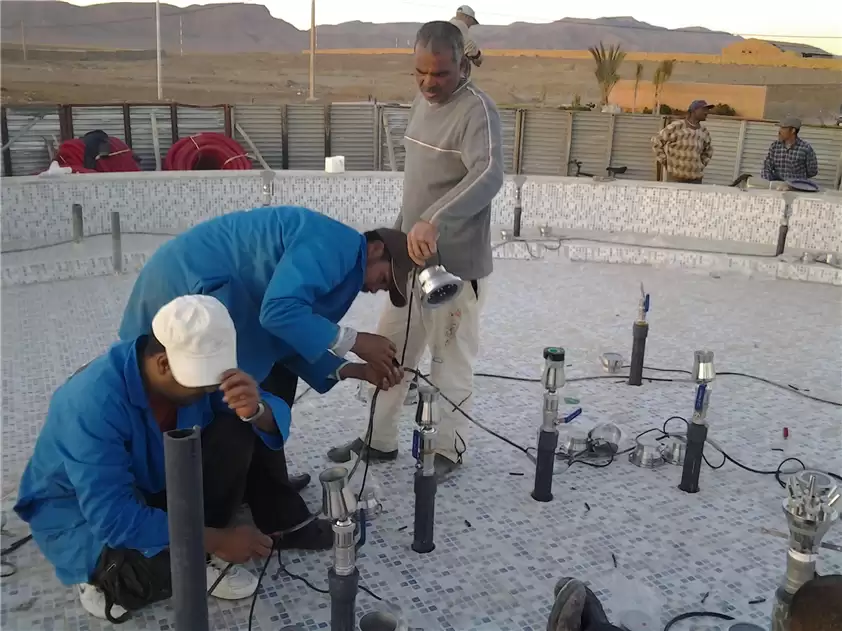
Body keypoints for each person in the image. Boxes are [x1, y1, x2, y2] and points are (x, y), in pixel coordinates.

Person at [15, 295, 339, 622]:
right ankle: (99, 577)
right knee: (142, 579)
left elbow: (265, 411)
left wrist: (256, 410)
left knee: (238, 424)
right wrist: (216, 540)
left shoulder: (193, 374)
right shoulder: (91, 403)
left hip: (151, 485)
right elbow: (112, 516)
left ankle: (195, 543)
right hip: (80, 512)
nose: (210, 390)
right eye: (202, 385)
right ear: (163, 364)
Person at [119, 206, 409, 488]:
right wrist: (356, 341)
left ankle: (264, 485)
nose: (376, 290)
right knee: (197, 399)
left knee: (254, 396)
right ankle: (240, 493)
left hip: (217, 297)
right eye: (384, 279)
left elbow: (290, 335)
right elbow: (278, 312)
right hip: (183, 289)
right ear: (375, 249)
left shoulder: (343, 262)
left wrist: (358, 370)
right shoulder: (338, 246)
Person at [328, 20, 504, 481]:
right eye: (420, 72)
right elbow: (420, 184)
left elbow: (489, 175)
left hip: (454, 271)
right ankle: (379, 440)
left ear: (463, 66)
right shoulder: (422, 102)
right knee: (389, 352)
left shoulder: (477, 111)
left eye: (440, 74)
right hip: (408, 264)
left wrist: (435, 219)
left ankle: (449, 449)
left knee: (450, 363)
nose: (428, 83)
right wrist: (396, 239)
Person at [652, 100, 714, 184]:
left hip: (695, 179)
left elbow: (708, 150)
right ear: (694, 111)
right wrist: (664, 160)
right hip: (675, 177)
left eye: (707, 110)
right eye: (704, 109)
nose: (707, 112)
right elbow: (656, 141)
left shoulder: (703, 131)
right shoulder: (676, 126)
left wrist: (701, 165)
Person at [761, 116, 819, 183]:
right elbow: (767, 168)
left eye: (783, 128)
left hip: (797, 186)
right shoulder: (775, 146)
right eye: (780, 128)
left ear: (793, 130)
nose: (779, 131)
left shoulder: (805, 148)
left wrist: (799, 181)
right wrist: (768, 182)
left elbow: (812, 171)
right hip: (778, 186)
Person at [450, 5, 482, 77]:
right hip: (453, 73)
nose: (471, 26)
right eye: (472, 22)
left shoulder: (447, 25)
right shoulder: (460, 26)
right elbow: (470, 49)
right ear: (467, 17)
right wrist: (477, 55)